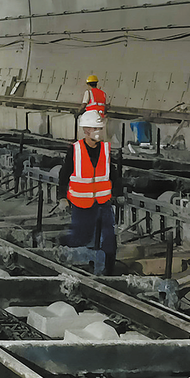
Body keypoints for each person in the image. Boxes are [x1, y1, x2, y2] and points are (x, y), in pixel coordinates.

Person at [57, 111, 117, 275]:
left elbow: (113, 173)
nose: (98, 131)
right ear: (86, 130)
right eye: (95, 128)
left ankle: (108, 275)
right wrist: (62, 197)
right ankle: (65, 256)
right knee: (80, 239)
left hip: (103, 203)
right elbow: (64, 174)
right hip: (81, 204)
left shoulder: (105, 149)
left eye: (99, 128)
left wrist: (118, 192)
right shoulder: (75, 150)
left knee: (109, 240)